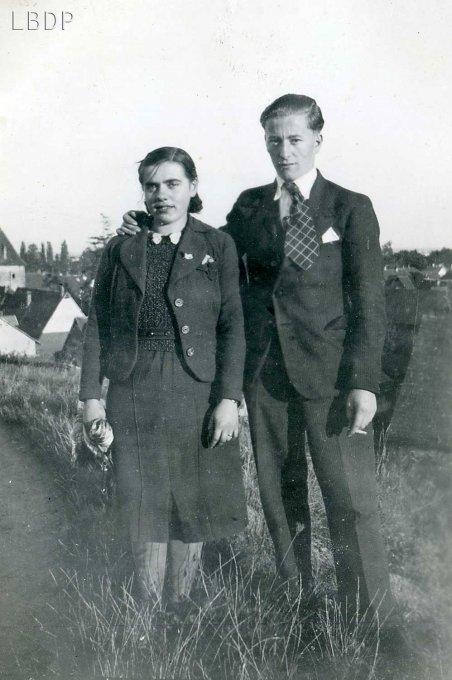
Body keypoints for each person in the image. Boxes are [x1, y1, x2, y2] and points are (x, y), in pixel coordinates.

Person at [118, 97, 395, 625]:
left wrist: (364, 381)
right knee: (279, 498)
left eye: (294, 139)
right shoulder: (248, 208)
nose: (284, 151)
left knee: (350, 501)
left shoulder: (350, 207)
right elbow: (204, 249)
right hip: (265, 377)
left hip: (332, 380)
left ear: (318, 139)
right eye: (274, 140)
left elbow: (371, 303)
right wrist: (145, 224)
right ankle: (299, 608)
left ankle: (373, 621)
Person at [80, 146, 247, 609]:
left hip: (195, 388)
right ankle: (146, 611)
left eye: (172, 183)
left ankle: (181, 605)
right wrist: (91, 397)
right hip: (133, 388)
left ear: (193, 187)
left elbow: (233, 322)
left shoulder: (217, 245)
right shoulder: (121, 247)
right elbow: (98, 321)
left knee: (190, 500)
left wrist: (229, 398)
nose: (161, 195)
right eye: (151, 185)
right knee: (141, 500)